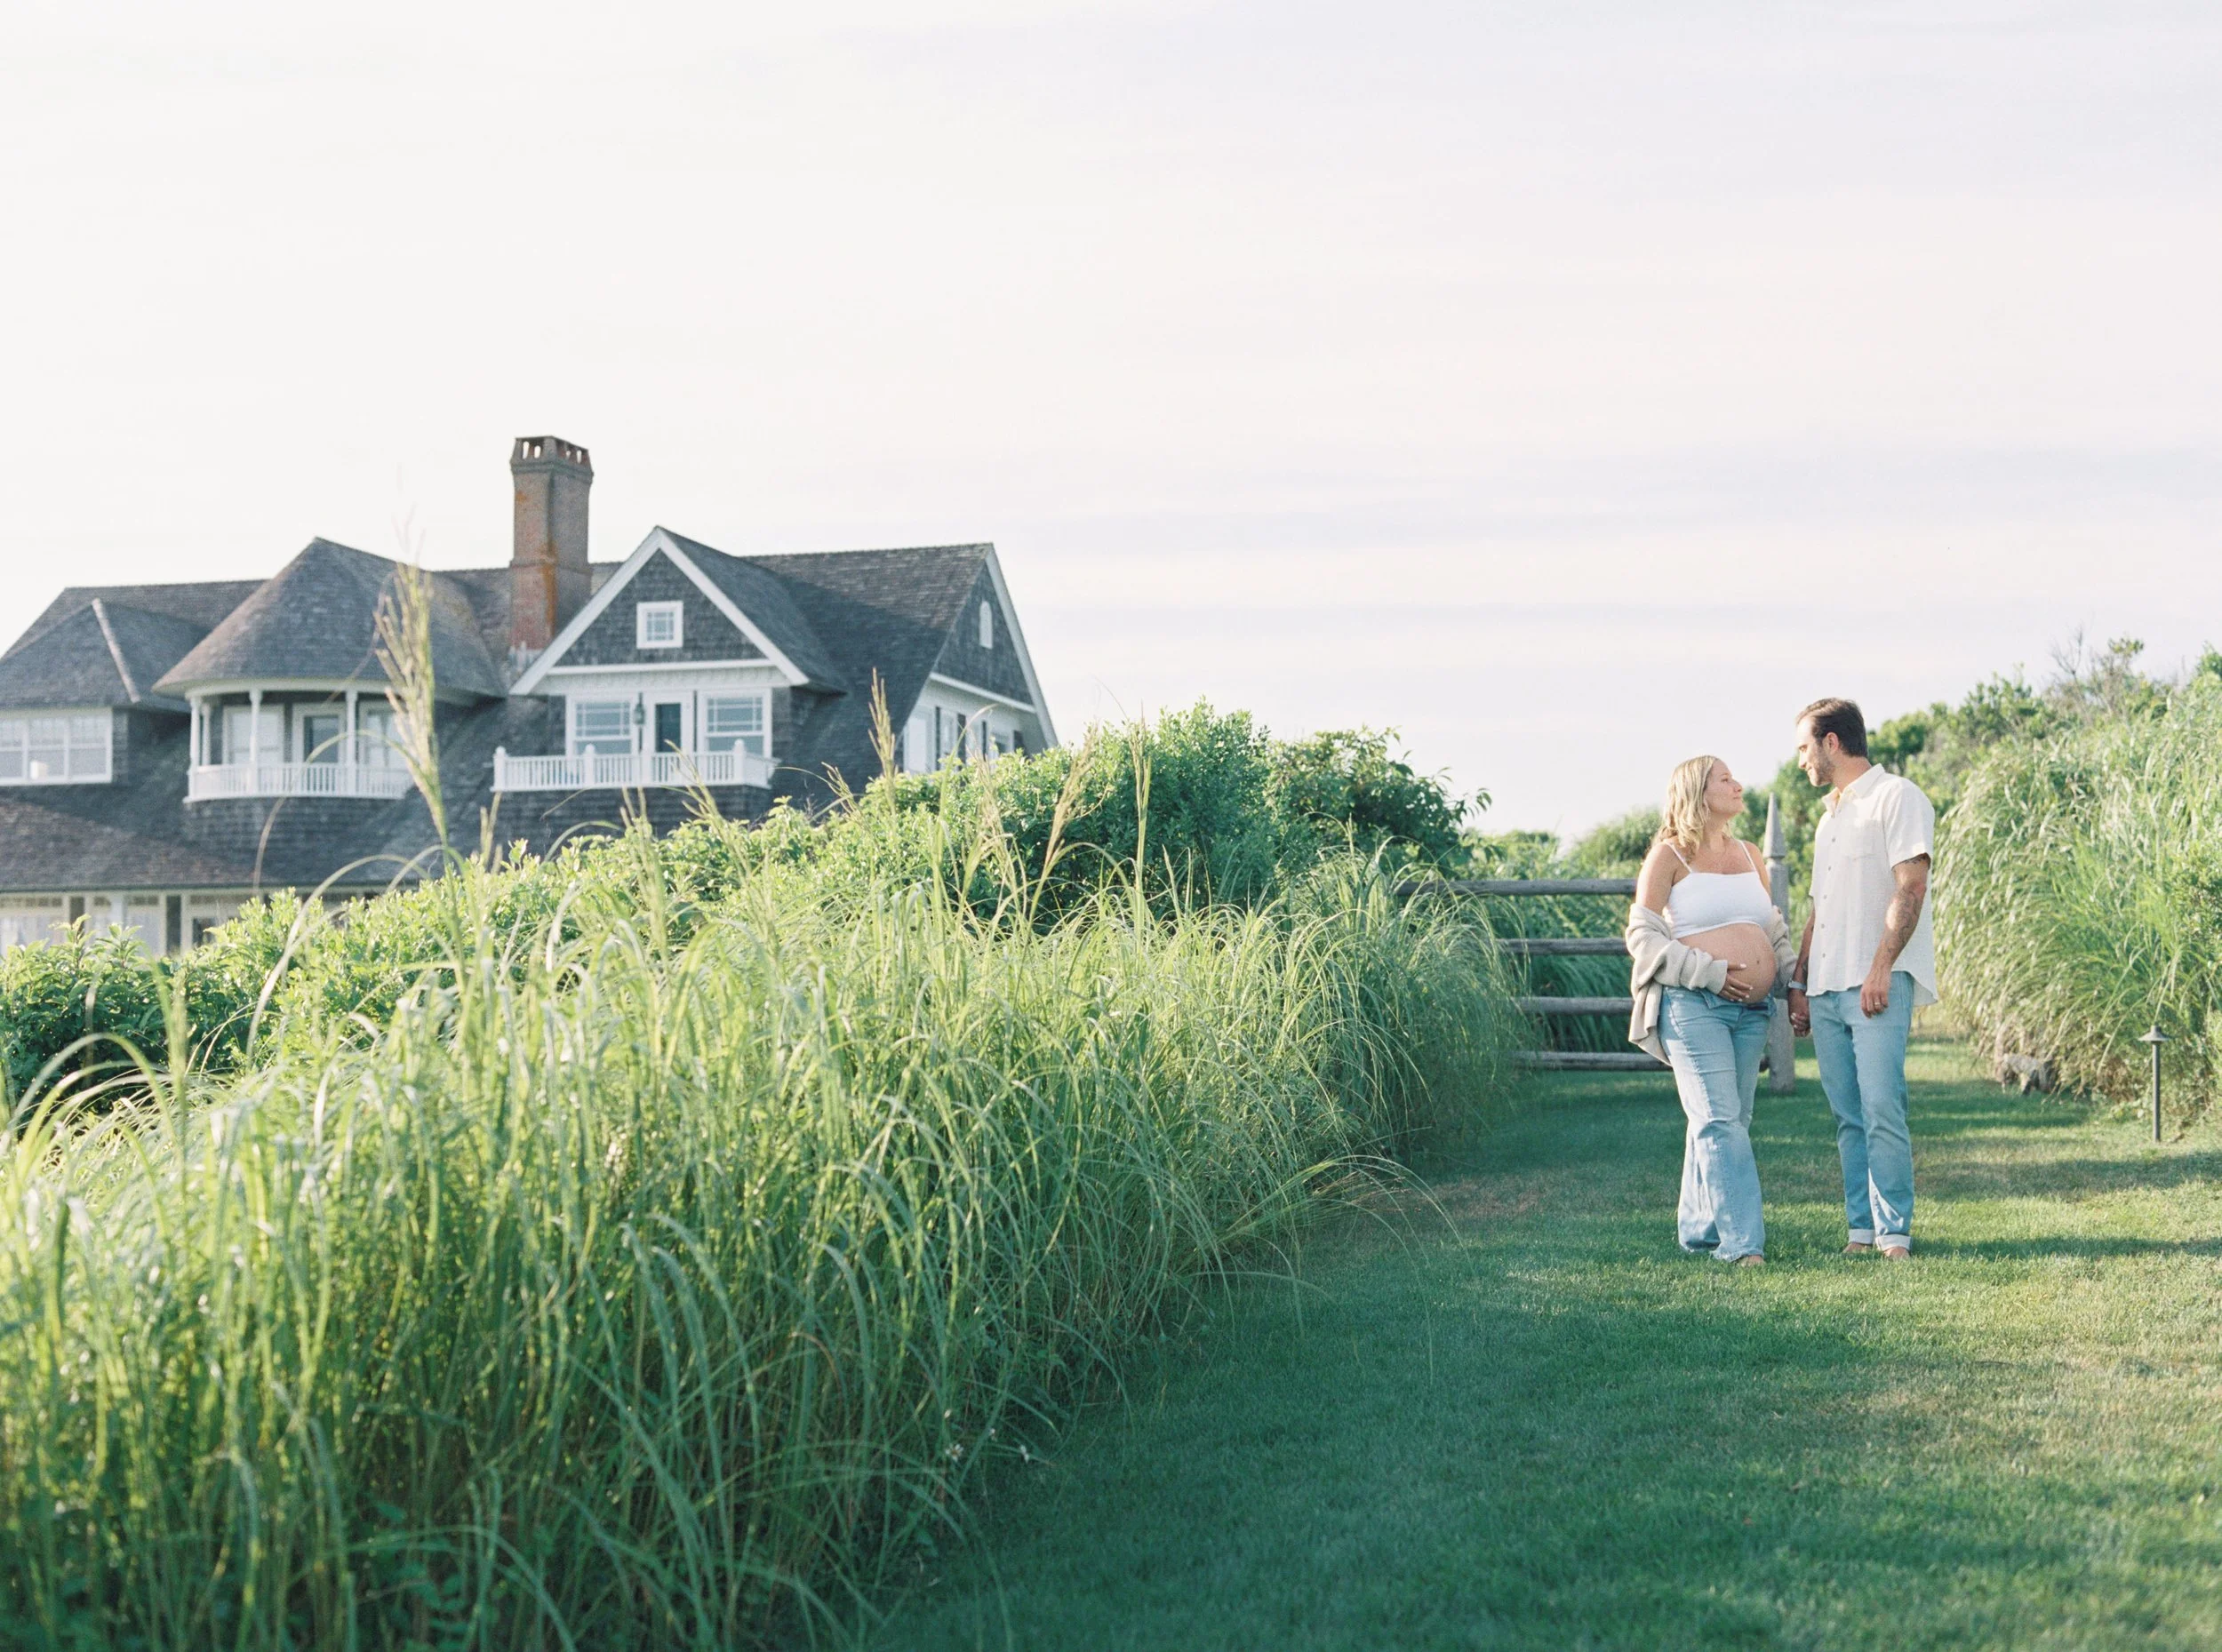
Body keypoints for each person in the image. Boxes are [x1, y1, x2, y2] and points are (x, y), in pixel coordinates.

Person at [1627, 755, 1799, 1265]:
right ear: (1698, 791)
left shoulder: (1749, 855)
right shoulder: (1669, 855)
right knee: (1719, 1119)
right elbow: (1642, 935)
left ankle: (1698, 1231)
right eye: (1725, 779)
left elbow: (1772, 930)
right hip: (1692, 1005)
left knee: (1725, 1119)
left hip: (1751, 1011)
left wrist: (1793, 984)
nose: (1738, 784)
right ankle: (1743, 1245)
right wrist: (1712, 972)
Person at [1784, 698, 1936, 1262]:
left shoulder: (1898, 797)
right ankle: (1860, 1230)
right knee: (1848, 1117)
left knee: (1882, 1109)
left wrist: (1882, 968)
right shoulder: (1829, 817)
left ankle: (1894, 1233)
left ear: (1831, 742)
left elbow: (1910, 888)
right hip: (1824, 990)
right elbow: (1820, 908)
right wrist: (1799, 982)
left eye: (1804, 747)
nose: (1801, 760)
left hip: (1875, 984)